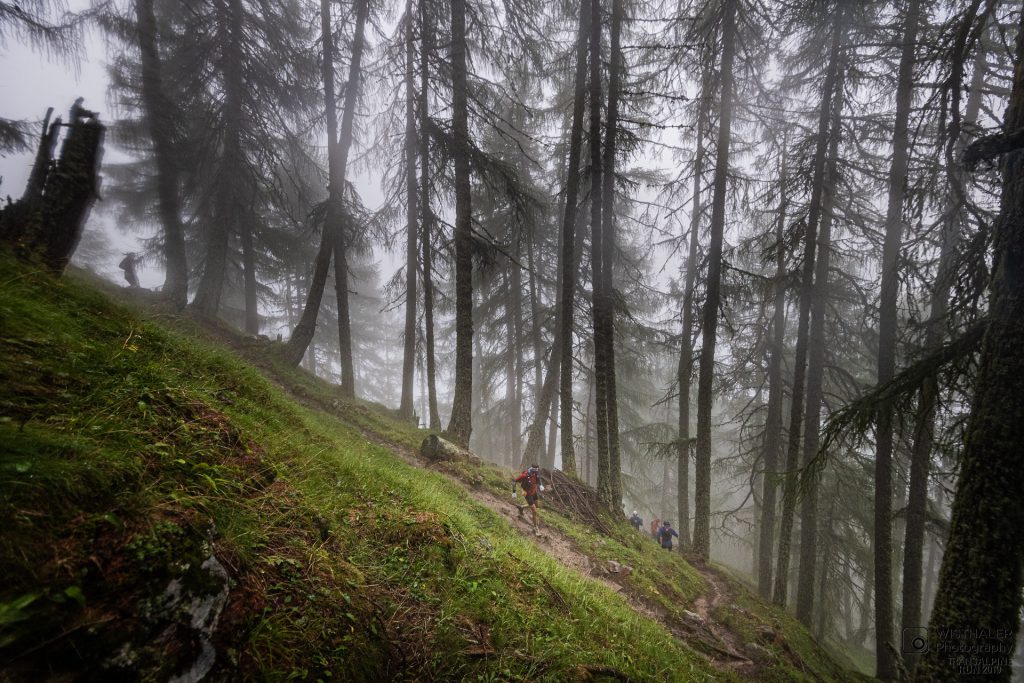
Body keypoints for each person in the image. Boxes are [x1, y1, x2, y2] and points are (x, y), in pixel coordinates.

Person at [512, 464, 544, 529]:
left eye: (537, 470)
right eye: (536, 470)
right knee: (534, 511)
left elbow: (538, 478)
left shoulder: (536, 472)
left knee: (536, 505)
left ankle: (521, 507)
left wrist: (541, 485)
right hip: (527, 492)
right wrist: (514, 492)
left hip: (534, 491)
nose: (537, 471)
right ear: (532, 469)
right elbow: (515, 481)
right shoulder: (525, 475)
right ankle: (535, 528)